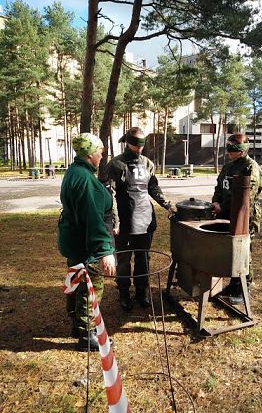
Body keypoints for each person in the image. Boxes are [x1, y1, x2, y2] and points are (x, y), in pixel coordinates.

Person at [101, 127, 175, 311]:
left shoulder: (148, 164)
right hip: (125, 220)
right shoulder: (115, 165)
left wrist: (167, 204)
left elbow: (153, 188)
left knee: (143, 258)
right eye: (135, 145)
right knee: (124, 259)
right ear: (127, 142)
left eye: (141, 145)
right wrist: (115, 221)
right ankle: (124, 293)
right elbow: (110, 195)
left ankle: (142, 292)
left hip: (145, 218)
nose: (139, 148)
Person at [58, 132, 116, 351]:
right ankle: (87, 335)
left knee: (75, 280)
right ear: (91, 153)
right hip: (85, 246)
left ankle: (75, 323)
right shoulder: (85, 179)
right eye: (100, 152)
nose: (102, 156)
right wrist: (104, 251)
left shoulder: (74, 170)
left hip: (74, 241)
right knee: (90, 287)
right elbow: (93, 219)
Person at [212, 132, 262, 304]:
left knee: (243, 252)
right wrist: (216, 202)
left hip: (244, 216)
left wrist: (223, 206)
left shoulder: (251, 167)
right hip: (227, 215)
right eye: (228, 149)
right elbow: (219, 187)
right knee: (231, 252)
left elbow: (246, 197)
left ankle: (245, 288)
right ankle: (234, 284)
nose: (228, 153)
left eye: (232, 150)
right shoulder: (228, 167)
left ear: (242, 150)